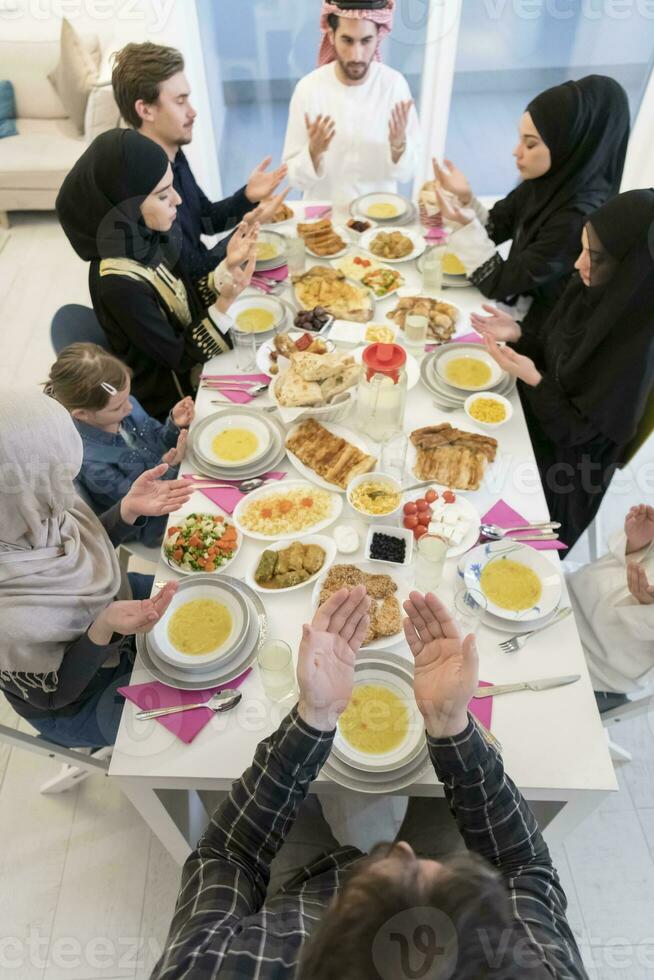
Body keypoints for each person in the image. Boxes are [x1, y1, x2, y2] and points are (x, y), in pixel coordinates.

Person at [151, 589, 584, 979]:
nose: (399, 848)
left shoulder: (213, 968)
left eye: (392, 872)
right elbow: (523, 867)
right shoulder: (534, 968)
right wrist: (448, 725)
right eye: (421, 871)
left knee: (225, 765)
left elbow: (229, 854)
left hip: (303, 883)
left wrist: (312, 719)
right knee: (456, 779)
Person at [0, 389, 189, 748]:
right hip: (82, 696)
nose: (67, 488)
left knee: (206, 601)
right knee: (207, 718)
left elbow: (79, 544)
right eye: (58, 476)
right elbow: (54, 695)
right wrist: (102, 628)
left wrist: (127, 510)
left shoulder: (25, 505)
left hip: (114, 606)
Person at [473, 188, 654, 551]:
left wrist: (535, 379)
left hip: (560, 477)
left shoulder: (636, 349)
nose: (578, 264)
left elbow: (576, 432)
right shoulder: (593, 292)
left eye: (594, 256)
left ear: (630, 269)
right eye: (583, 249)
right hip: (531, 422)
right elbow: (556, 350)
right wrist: (520, 333)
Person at [56, 128, 257, 421]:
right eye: (163, 195)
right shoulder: (117, 284)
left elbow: (184, 300)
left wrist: (226, 269)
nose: (177, 200)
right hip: (174, 403)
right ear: (126, 205)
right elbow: (178, 355)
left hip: (197, 364)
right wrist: (224, 303)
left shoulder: (145, 236)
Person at [434, 75, 629, 340]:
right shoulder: (549, 181)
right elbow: (497, 227)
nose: (517, 151)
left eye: (530, 143)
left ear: (566, 146)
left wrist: (465, 224)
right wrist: (466, 199)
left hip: (538, 337)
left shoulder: (577, 217)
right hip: (513, 312)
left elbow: (498, 283)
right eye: (520, 139)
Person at [111, 41, 288, 298]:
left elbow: (205, 219)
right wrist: (248, 229)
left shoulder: (174, 155)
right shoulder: (147, 193)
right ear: (145, 110)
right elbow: (194, 274)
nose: (192, 112)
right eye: (180, 101)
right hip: (196, 305)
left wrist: (247, 197)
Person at [45, 343, 195, 548]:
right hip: (153, 523)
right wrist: (169, 467)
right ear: (82, 414)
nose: (130, 407)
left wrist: (173, 425)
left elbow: (156, 436)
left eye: (128, 397)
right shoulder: (88, 460)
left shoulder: (121, 404)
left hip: (174, 482)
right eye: (118, 407)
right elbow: (140, 501)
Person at [282, 0, 421, 202]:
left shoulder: (394, 85)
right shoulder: (308, 89)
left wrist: (398, 147)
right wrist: (313, 153)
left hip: (379, 220)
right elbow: (294, 179)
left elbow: (407, 173)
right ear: (331, 36)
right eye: (347, 40)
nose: (357, 55)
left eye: (366, 41)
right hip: (324, 224)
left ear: (378, 37)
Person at [566, 504, 654, 711]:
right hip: (571, 593)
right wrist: (637, 544)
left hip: (596, 661)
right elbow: (620, 557)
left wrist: (647, 606)